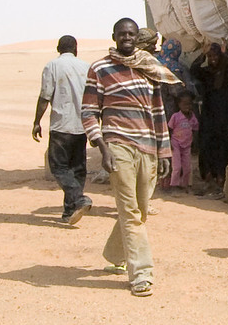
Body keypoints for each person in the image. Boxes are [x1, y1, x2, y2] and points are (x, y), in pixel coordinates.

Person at [80, 18, 174, 297]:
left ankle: (114, 253)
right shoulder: (100, 69)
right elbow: (88, 112)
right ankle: (141, 275)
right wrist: (102, 148)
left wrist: (164, 151)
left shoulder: (149, 69)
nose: (127, 38)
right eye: (122, 34)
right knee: (131, 211)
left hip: (148, 147)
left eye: (131, 34)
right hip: (118, 145)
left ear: (137, 38)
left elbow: (158, 113)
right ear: (114, 37)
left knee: (140, 210)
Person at [30, 35, 92, 224]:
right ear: (76, 49)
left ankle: (79, 199)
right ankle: (69, 212)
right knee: (78, 169)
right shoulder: (86, 67)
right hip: (82, 125)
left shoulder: (52, 66)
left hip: (61, 125)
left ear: (58, 48)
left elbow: (45, 96)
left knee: (58, 166)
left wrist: (36, 121)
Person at [193, 41, 228, 190]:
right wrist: (202, 54)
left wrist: (225, 53)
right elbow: (193, 69)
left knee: (224, 145)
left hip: (224, 115)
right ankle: (208, 174)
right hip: (209, 115)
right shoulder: (206, 72)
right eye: (210, 56)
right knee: (207, 144)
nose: (213, 58)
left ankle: (222, 175)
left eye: (216, 55)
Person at [165, 93, 198, 187]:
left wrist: (194, 142)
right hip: (176, 144)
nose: (188, 106)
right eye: (185, 104)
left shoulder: (193, 118)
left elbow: (195, 130)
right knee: (177, 166)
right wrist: (168, 143)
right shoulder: (175, 116)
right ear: (179, 105)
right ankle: (174, 185)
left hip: (187, 145)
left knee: (187, 168)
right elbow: (169, 129)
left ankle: (184, 185)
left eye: (190, 104)